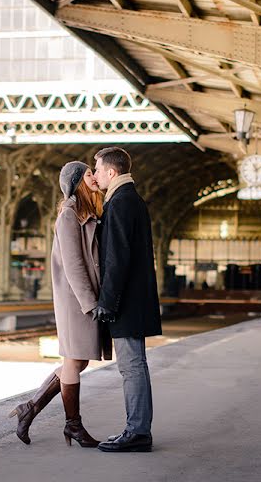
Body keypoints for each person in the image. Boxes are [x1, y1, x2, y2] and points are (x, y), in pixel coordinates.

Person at [9, 161, 110, 447]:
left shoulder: (86, 212)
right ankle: (73, 426)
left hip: (81, 297)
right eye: (88, 174)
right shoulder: (68, 215)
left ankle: (30, 408)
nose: (93, 177)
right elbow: (74, 264)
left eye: (93, 172)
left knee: (78, 360)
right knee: (74, 360)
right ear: (76, 181)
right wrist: (90, 303)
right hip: (75, 299)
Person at [90, 147, 161, 453]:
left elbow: (116, 258)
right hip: (136, 299)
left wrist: (107, 301)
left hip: (126, 302)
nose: (93, 174)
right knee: (136, 366)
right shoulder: (130, 199)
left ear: (112, 172)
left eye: (97, 169)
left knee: (132, 367)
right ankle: (139, 428)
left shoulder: (119, 203)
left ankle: (137, 432)